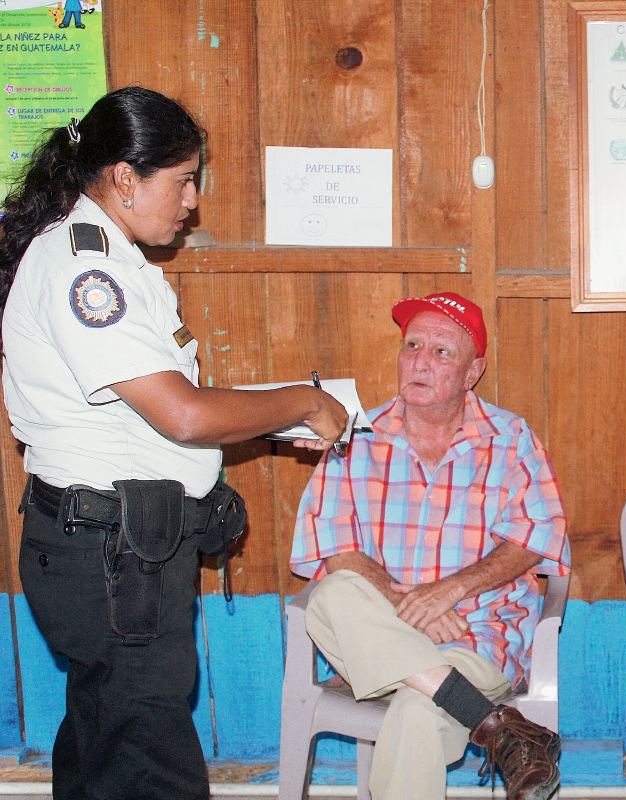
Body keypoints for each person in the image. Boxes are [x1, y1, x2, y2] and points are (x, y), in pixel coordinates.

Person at [0, 87, 349, 800]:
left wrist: (273, 417)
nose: (192, 200)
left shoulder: (118, 262)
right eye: (183, 179)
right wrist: (308, 401)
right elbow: (183, 417)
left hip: (115, 546)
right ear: (125, 178)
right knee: (152, 764)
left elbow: (156, 411)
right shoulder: (85, 269)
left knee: (108, 742)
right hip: (111, 555)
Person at [290, 291, 571, 800]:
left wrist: (448, 591)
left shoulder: (510, 439)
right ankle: (496, 724)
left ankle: (464, 704)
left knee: (418, 712)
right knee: (332, 595)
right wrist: (407, 604)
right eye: (412, 345)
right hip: (380, 629)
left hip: (477, 635)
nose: (419, 361)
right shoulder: (354, 436)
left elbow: (537, 537)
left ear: (473, 372)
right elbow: (335, 547)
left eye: (441, 352)